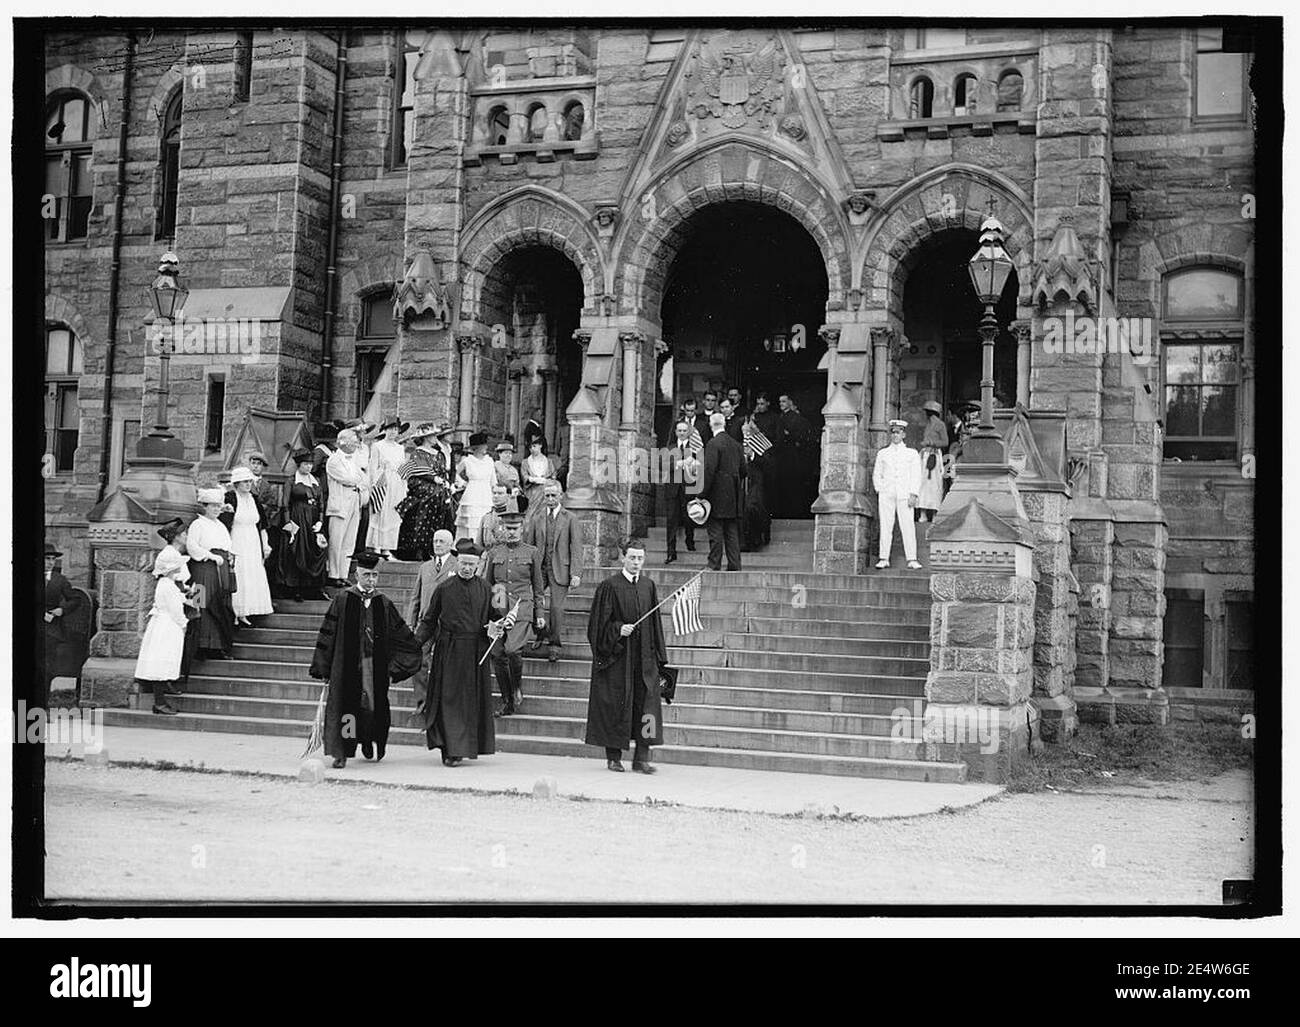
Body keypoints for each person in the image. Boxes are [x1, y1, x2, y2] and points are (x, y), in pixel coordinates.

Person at [308, 550, 423, 769]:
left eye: (374, 576)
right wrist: (324, 667)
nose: (371, 580)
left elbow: (400, 636)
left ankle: (369, 740)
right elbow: (328, 634)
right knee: (347, 710)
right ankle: (343, 750)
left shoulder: (383, 603)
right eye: (366, 575)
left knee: (372, 709)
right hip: (347, 666)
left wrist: (396, 666)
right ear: (356, 576)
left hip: (373, 666)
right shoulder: (343, 599)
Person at [413, 539, 505, 767]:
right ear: (458, 563)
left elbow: (496, 615)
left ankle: (465, 747)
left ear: (477, 566)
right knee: (449, 701)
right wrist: (415, 643)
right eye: (463, 563)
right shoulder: (443, 587)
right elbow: (429, 620)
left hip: (476, 653)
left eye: (471, 565)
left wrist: (502, 624)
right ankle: (449, 749)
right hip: (449, 651)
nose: (466, 568)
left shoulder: (488, 588)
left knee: (470, 702)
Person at [583, 537, 670, 774]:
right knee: (615, 705)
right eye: (631, 557)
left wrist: (660, 659)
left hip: (644, 658)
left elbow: (655, 625)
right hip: (618, 657)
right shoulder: (609, 586)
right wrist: (617, 629)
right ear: (623, 557)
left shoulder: (648, 586)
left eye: (640, 558)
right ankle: (613, 758)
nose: (636, 562)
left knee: (647, 707)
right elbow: (597, 626)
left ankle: (642, 758)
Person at [481, 498, 546, 716]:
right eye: (508, 529)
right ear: (502, 529)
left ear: (522, 528)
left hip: (522, 610)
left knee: (512, 650)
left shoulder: (532, 552)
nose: (511, 533)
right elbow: (488, 586)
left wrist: (539, 613)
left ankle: (517, 686)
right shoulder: (494, 554)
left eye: (515, 528)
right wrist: (487, 617)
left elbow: (538, 587)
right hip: (498, 610)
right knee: (498, 654)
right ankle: (507, 700)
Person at [525, 480, 583, 662]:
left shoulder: (570, 518)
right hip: (540, 568)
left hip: (561, 568)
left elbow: (577, 547)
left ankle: (555, 645)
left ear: (561, 496)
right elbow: (530, 545)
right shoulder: (537, 518)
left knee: (556, 608)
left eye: (553, 495)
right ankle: (541, 633)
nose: (550, 499)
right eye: (547, 496)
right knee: (536, 604)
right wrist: (527, 568)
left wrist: (576, 573)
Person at [134, 543, 195, 716]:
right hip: (167, 625)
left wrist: (187, 597)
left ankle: (160, 701)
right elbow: (175, 609)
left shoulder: (166, 584)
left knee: (162, 660)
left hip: (163, 623)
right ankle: (159, 702)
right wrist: (183, 623)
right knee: (162, 660)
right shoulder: (167, 585)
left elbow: (175, 599)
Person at [396, 422, 457, 561]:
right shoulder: (418, 452)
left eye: (435, 435)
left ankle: (433, 546)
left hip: (439, 486)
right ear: (426, 437)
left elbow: (443, 472)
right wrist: (433, 479)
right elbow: (416, 472)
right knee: (430, 498)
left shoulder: (439, 453)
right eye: (433, 435)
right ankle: (418, 547)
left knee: (443, 501)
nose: (436, 437)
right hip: (421, 485)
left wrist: (445, 482)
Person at [188, 488, 237, 658]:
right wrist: (210, 556)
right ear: (205, 507)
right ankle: (200, 646)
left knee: (220, 604)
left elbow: (228, 545)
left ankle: (216, 646)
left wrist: (230, 556)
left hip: (220, 568)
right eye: (213, 506)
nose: (216, 509)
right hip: (203, 569)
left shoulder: (220, 526)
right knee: (201, 602)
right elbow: (192, 547)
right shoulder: (198, 524)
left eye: (218, 506)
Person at [222, 466, 274, 625]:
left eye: (249, 481)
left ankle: (249, 610)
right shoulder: (230, 497)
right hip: (237, 539)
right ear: (236, 483)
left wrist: (265, 545)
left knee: (252, 572)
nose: (247, 484)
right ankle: (237, 612)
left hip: (252, 540)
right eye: (244, 481)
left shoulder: (254, 499)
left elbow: (262, 525)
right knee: (239, 572)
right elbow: (224, 524)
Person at [278, 449, 328, 602]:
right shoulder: (292, 480)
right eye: (305, 464)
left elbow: (321, 503)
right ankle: (296, 589)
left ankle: (314, 588)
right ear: (299, 465)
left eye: (310, 464)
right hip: (297, 518)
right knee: (298, 551)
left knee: (317, 549)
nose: (308, 467)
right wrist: (288, 524)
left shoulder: (316, 481)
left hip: (313, 520)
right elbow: (285, 504)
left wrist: (320, 521)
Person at [873, 418, 923, 570]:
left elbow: (916, 475)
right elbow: (877, 474)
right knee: (886, 525)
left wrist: (913, 493)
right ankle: (883, 558)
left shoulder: (911, 453)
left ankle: (912, 558)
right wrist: (880, 489)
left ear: (904, 434)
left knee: (907, 526)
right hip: (887, 493)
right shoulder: (883, 453)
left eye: (898, 432)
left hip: (904, 494)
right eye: (893, 432)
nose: (895, 435)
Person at [700, 411, 747, 571]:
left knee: (715, 531)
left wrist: (701, 494)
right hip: (733, 494)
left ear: (711, 425)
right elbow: (744, 471)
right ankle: (735, 564)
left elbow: (709, 471)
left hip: (716, 494)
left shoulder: (713, 444)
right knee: (731, 532)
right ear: (724, 424)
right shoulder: (736, 444)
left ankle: (714, 564)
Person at [325, 428, 370, 585]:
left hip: (353, 502)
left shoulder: (352, 460)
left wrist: (358, 479)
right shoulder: (334, 460)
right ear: (343, 442)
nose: (356, 444)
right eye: (353, 441)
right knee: (337, 541)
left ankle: (343, 574)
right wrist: (357, 479)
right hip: (339, 504)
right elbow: (348, 479)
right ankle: (333, 573)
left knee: (349, 540)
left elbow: (363, 478)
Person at [42, 542, 87, 699]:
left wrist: (62, 610)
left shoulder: (59, 580)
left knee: (47, 668)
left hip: (51, 630)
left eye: (52, 559)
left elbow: (75, 599)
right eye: (46, 559)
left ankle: (43, 704)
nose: (50, 562)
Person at [365, 420, 409, 558]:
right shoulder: (377, 446)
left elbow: (402, 468)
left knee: (393, 514)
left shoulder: (400, 448)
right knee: (380, 511)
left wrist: (404, 485)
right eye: (390, 429)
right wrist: (373, 484)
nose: (393, 432)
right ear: (385, 430)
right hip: (382, 481)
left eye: (396, 429)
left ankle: (387, 547)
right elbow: (372, 467)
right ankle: (376, 546)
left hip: (396, 482)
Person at [663, 420, 699, 563]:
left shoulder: (695, 447)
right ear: (676, 432)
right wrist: (677, 464)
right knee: (671, 520)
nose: (682, 433)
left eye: (685, 430)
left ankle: (690, 542)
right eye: (680, 430)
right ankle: (671, 552)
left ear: (688, 432)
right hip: (672, 489)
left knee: (689, 517)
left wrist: (694, 464)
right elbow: (662, 464)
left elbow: (701, 465)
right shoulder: (670, 447)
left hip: (688, 487)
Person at [405, 529, 457, 630]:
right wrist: (410, 622)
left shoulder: (457, 566)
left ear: (451, 545)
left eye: (441, 541)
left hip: (447, 624)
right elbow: (416, 597)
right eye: (435, 541)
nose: (437, 545)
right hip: (425, 622)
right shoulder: (425, 567)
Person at [455, 433, 496, 543]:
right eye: (483, 445)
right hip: (472, 495)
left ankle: (483, 546)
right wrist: (462, 483)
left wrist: (495, 494)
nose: (486, 447)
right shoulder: (467, 461)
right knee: (471, 523)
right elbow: (455, 474)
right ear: (477, 447)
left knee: (485, 522)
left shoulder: (489, 461)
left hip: (486, 495)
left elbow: (493, 481)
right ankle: (468, 546)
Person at [916, 400, 949, 523]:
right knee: (922, 484)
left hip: (934, 457)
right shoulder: (928, 425)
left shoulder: (940, 425)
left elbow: (945, 442)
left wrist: (931, 443)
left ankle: (935, 513)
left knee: (935, 484)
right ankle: (923, 512)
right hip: (925, 457)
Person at [519, 436, 558, 531]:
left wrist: (547, 481)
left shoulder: (548, 462)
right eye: (530, 447)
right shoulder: (525, 462)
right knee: (531, 514)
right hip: (532, 492)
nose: (532, 449)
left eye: (534, 446)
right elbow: (524, 476)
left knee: (545, 513)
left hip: (546, 492)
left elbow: (553, 476)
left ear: (540, 446)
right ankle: (528, 532)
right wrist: (532, 479)